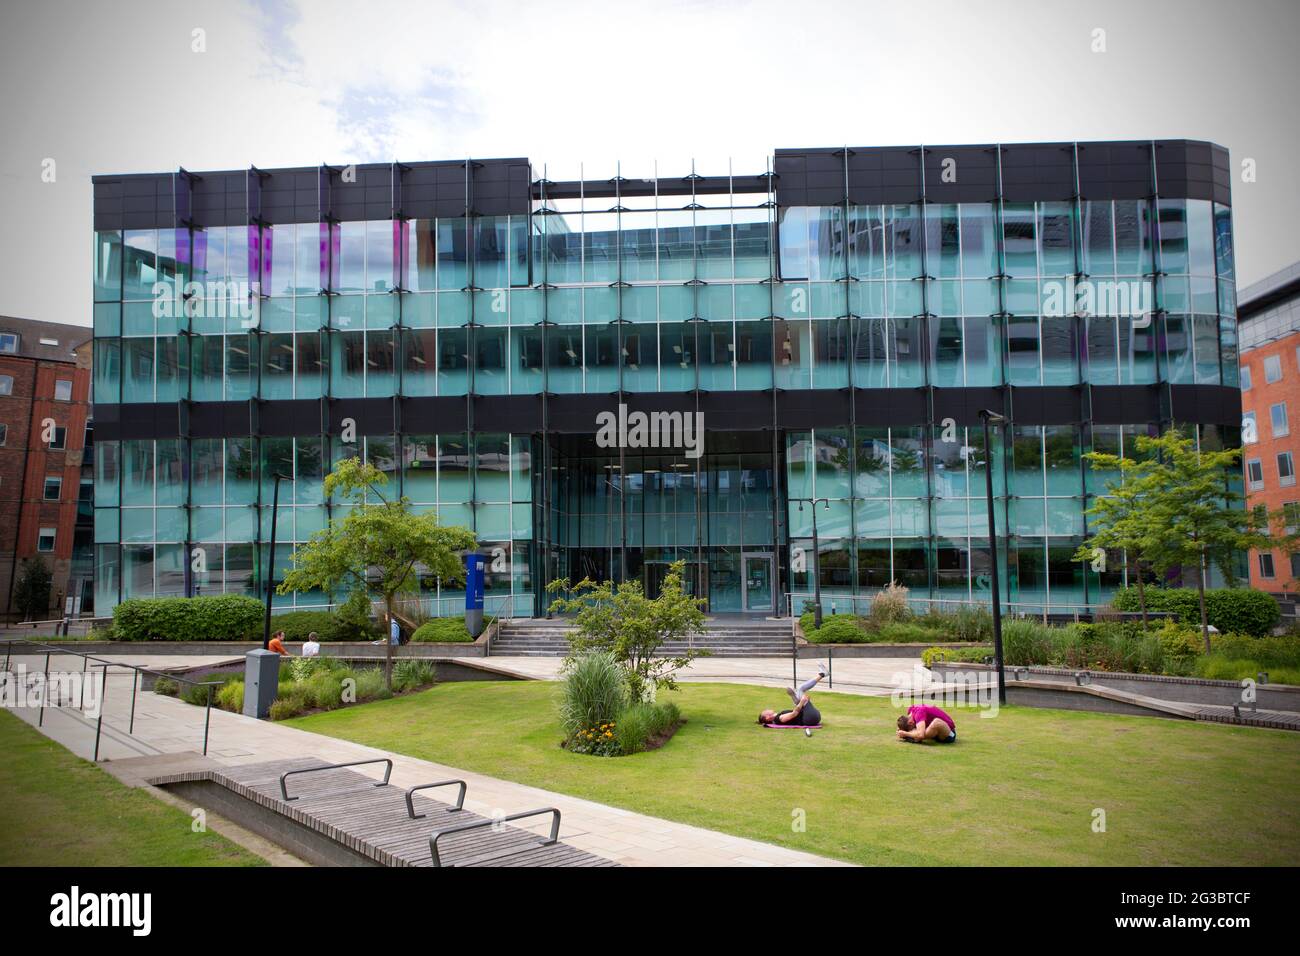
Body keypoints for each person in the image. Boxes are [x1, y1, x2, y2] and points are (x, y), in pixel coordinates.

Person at [758, 663, 828, 727]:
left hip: (810, 716)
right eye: (765, 711)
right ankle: (823, 674)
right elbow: (794, 714)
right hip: (809, 718)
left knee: (800, 690)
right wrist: (802, 702)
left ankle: (822, 674)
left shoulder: (778, 716)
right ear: (767, 717)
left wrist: (801, 703)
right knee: (800, 690)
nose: (767, 709)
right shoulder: (778, 718)